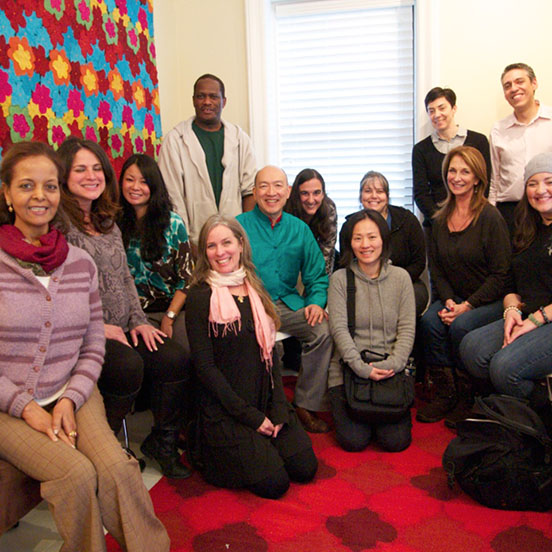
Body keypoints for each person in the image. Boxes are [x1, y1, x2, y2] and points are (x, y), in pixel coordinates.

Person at [0, 141, 169, 551]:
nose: (40, 196)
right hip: (9, 406)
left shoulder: (78, 262)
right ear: (6, 194)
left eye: (50, 186)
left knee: (118, 469)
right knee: (76, 476)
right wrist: (26, 408)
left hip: (72, 392)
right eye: (26, 186)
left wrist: (70, 397)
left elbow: (93, 341)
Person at [58, 137, 191, 479]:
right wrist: (98, 328)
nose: (91, 175)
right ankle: (105, 446)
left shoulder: (107, 222)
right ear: (63, 175)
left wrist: (138, 321)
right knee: (128, 365)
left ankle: (162, 441)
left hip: (124, 324)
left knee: (173, 357)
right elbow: (57, 295)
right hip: (84, 333)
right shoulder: (61, 227)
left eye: (97, 168)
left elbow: (125, 280)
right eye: (80, 169)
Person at [185, 215, 317, 499]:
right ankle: (244, 448)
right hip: (226, 408)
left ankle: (263, 443)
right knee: (275, 484)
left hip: (263, 396)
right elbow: (205, 368)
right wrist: (252, 418)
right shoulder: (199, 296)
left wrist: (279, 407)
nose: (220, 252)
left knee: (305, 467)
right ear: (203, 252)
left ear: (241, 244)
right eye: (211, 246)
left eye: (226, 242)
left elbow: (270, 354)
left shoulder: (253, 286)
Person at [417, 146, 511, 425]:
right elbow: (436, 269)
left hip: (489, 300)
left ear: (477, 179)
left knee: (461, 325)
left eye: (464, 171)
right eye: (452, 171)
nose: (456, 177)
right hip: (453, 298)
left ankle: (469, 398)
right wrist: (448, 301)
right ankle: (446, 394)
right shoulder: (438, 218)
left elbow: (501, 275)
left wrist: (467, 306)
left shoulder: (490, 217)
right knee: (430, 322)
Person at [237, 166, 333, 433]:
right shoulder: (238, 226)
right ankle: (261, 407)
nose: (271, 192)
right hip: (250, 305)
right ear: (255, 192)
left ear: (288, 192)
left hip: (289, 303)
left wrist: (315, 301)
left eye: (278, 186)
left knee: (323, 331)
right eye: (264, 186)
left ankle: (305, 403)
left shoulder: (300, 229)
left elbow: (317, 275)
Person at [460, 152, 552, 399]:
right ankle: (507, 409)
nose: (541, 190)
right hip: (528, 312)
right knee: (472, 349)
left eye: (549, 182)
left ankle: (538, 419)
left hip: (546, 318)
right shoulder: (526, 227)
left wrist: (535, 320)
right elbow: (512, 283)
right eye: (532, 184)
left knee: (504, 368)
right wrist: (511, 311)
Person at [328, 209, 415, 452]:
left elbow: (407, 328)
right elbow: (339, 330)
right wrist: (362, 369)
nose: (365, 244)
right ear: (350, 243)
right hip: (349, 369)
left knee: (396, 442)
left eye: (372, 237)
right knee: (353, 441)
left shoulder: (401, 278)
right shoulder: (340, 279)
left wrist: (393, 365)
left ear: (384, 239)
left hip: (391, 371)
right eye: (358, 238)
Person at [158, 73, 256, 248]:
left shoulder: (240, 139)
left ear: (223, 101)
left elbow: (249, 191)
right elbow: (172, 197)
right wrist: (186, 243)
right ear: (193, 100)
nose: (207, 102)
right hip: (195, 240)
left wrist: (245, 237)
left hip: (234, 240)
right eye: (201, 96)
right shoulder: (175, 140)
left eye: (213, 96)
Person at [118, 153, 193, 354]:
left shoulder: (173, 224)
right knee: (153, 357)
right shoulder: (112, 224)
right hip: (134, 314)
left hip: (173, 308)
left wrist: (169, 317)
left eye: (143, 182)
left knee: (185, 351)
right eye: (130, 180)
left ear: (154, 186)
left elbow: (186, 279)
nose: (135, 187)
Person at [339, 171, 428, 316]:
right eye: (368, 191)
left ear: (387, 197)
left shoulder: (407, 220)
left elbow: (418, 263)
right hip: (363, 285)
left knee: (414, 298)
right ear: (361, 197)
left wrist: (393, 283)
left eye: (379, 191)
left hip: (404, 282)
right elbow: (345, 263)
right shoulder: (349, 226)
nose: (374, 196)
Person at [412, 87, 491, 234]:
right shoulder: (421, 149)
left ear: (454, 108)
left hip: (474, 222)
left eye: (442, 108)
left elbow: (485, 183)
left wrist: (468, 217)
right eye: (431, 110)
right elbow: (420, 192)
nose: (437, 115)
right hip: (436, 226)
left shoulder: (478, 141)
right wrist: (441, 220)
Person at [489, 63, 552, 232]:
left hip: (547, 206)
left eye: (519, 81)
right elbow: (495, 180)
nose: (514, 89)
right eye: (507, 86)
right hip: (510, 212)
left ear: (534, 83)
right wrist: (491, 214)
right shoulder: (498, 129)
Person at [285, 168, 337, 275]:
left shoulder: (329, 209)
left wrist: (321, 286)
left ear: (323, 194)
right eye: (305, 193)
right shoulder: (286, 209)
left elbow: (327, 254)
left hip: (317, 256)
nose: (311, 200)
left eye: (316, 193)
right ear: (297, 194)